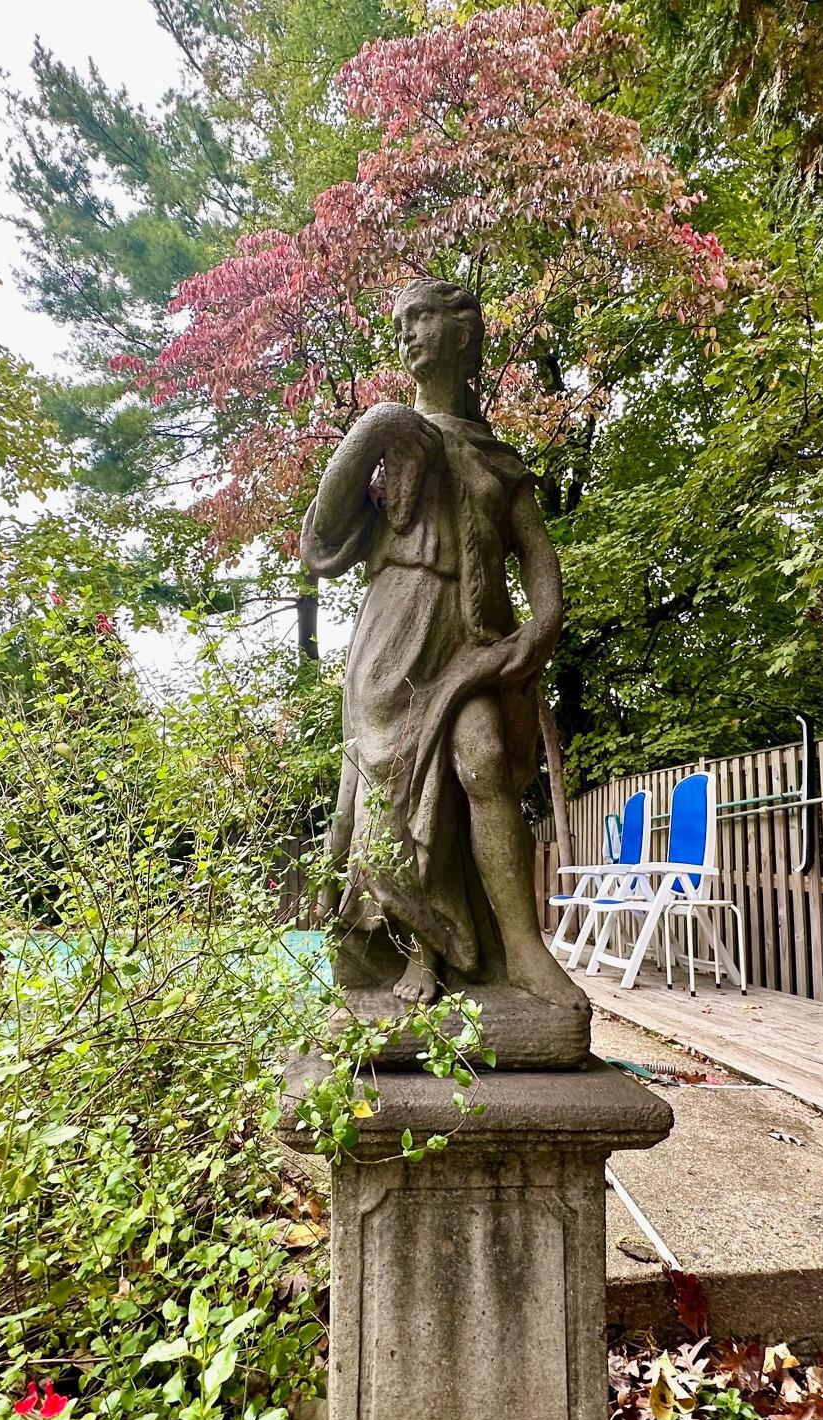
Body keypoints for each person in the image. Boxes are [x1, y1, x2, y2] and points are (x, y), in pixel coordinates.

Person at [302, 278, 582, 1010]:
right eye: (400, 324)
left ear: (464, 334)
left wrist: (543, 623)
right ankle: (417, 952)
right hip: (393, 641)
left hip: (472, 641)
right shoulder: (397, 442)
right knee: (390, 795)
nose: (407, 335)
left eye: (421, 318)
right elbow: (321, 537)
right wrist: (374, 428)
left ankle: (523, 951)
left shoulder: (494, 455)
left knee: (484, 759)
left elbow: (536, 554)